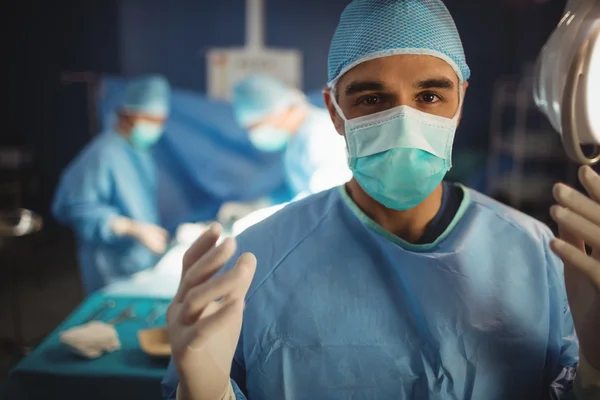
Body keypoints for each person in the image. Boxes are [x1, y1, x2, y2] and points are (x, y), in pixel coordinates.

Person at [163, 1, 600, 399]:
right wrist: (204, 393)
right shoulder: (254, 264)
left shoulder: (537, 256)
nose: (406, 122)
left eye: (430, 96)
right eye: (373, 99)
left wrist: (595, 371)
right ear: (335, 111)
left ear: (461, 100)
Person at [53, 75, 171, 294]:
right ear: (127, 116)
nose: (157, 128)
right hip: (110, 266)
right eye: (151, 120)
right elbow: (78, 209)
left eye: (161, 122)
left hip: (139, 261)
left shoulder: (138, 152)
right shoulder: (102, 154)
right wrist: (130, 227)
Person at [232, 74, 351, 197]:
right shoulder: (297, 140)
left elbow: (327, 199)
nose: (254, 133)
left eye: (256, 126)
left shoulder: (320, 134)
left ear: (279, 112)